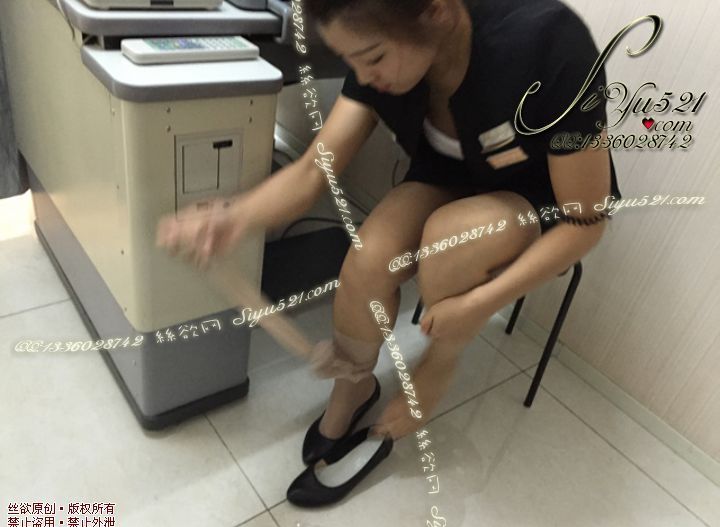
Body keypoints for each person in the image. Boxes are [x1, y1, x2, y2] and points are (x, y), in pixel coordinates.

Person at [156, 0, 622, 460]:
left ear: (437, 11)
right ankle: (354, 383)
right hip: (450, 176)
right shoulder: (378, 56)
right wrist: (233, 217)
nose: (364, 77)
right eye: (351, 60)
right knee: (368, 258)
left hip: (538, 198)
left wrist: (474, 308)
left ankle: (438, 363)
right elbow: (313, 171)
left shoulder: (548, 43)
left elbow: (585, 222)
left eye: (374, 57)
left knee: (449, 242)